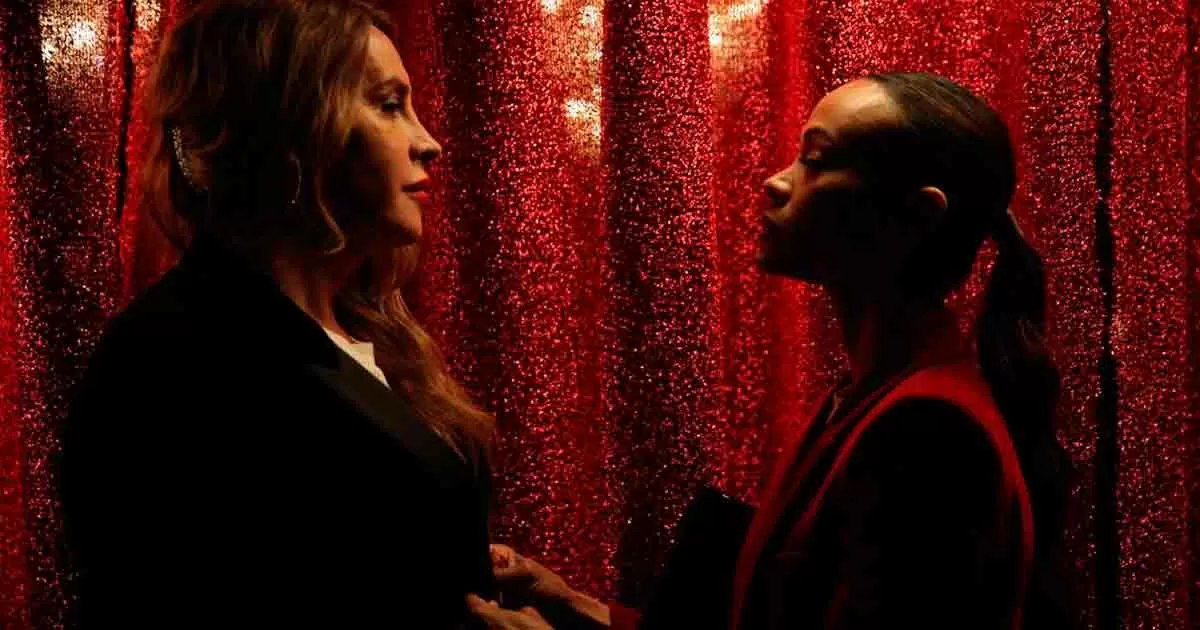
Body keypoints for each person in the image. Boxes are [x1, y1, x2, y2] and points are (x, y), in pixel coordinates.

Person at [470, 73, 1073, 630]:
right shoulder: (862, 397)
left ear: (915, 216)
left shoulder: (930, 429)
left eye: (816, 160)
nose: (776, 181)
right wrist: (577, 606)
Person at [59, 1, 496, 627]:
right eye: (388, 106)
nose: (429, 143)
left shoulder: (364, 331)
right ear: (293, 129)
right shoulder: (178, 360)